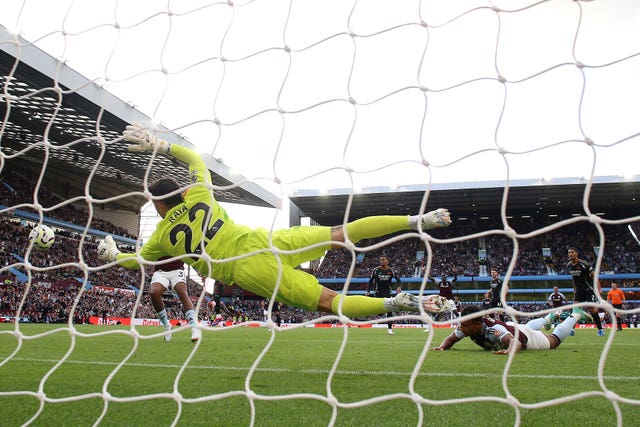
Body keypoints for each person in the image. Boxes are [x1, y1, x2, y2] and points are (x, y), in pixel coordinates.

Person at [96, 124, 453, 323]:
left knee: (331, 301)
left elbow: (139, 260)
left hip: (247, 269)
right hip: (264, 240)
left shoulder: (160, 236)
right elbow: (193, 156)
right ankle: (416, 220)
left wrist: (114, 254)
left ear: (159, 204)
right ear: (181, 192)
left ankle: (399, 304)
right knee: (340, 233)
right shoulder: (201, 194)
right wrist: (159, 144)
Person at [431, 304, 589, 354]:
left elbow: (515, 343)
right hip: (513, 327)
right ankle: (549, 318)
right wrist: (442, 347)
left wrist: (509, 350)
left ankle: (575, 315)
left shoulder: (494, 330)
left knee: (554, 341)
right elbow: (450, 339)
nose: (460, 328)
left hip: (521, 336)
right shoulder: (467, 328)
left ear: (478, 324)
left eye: (464, 325)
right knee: (526, 327)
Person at [149, 257, 201, 342]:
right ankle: (167, 325)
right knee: (154, 293)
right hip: (160, 271)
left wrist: (198, 269)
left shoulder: (180, 242)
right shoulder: (157, 243)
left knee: (182, 292)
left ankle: (194, 327)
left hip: (177, 270)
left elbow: (189, 254)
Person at [567, 247, 604, 336]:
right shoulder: (569, 265)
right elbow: (574, 279)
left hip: (588, 289)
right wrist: (574, 290)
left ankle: (600, 329)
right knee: (575, 309)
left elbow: (594, 276)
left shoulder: (584, 264)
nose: (570, 254)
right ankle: (572, 329)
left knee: (592, 310)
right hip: (579, 290)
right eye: (569, 252)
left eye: (572, 252)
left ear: (576, 253)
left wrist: (599, 288)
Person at [367, 255, 402, 335]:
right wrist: (368, 291)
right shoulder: (375, 270)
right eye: (380, 260)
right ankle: (382, 312)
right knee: (379, 312)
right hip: (378, 293)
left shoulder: (391, 271)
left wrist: (399, 287)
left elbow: (399, 281)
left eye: (383, 259)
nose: (382, 261)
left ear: (387, 261)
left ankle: (390, 329)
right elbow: (370, 281)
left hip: (388, 293)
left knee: (389, 311)